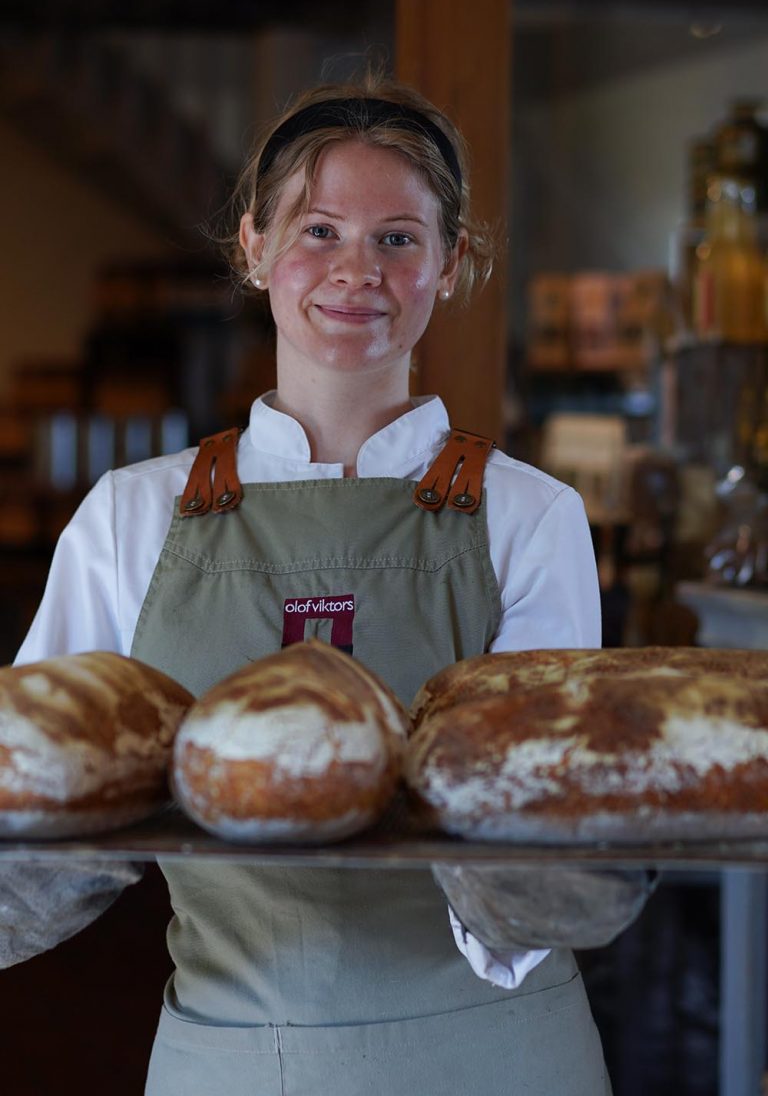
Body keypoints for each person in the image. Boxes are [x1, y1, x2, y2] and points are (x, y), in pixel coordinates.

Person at [5, 73, 654, 1094]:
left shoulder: (532, 515)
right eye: (319, 230)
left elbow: (546, 829)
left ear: (451, 264)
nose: (358, 271)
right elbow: (32, 792)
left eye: (399, 237)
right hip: (229, 1050)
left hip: (496, 1049)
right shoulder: (131, 517)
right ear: (253, 246)